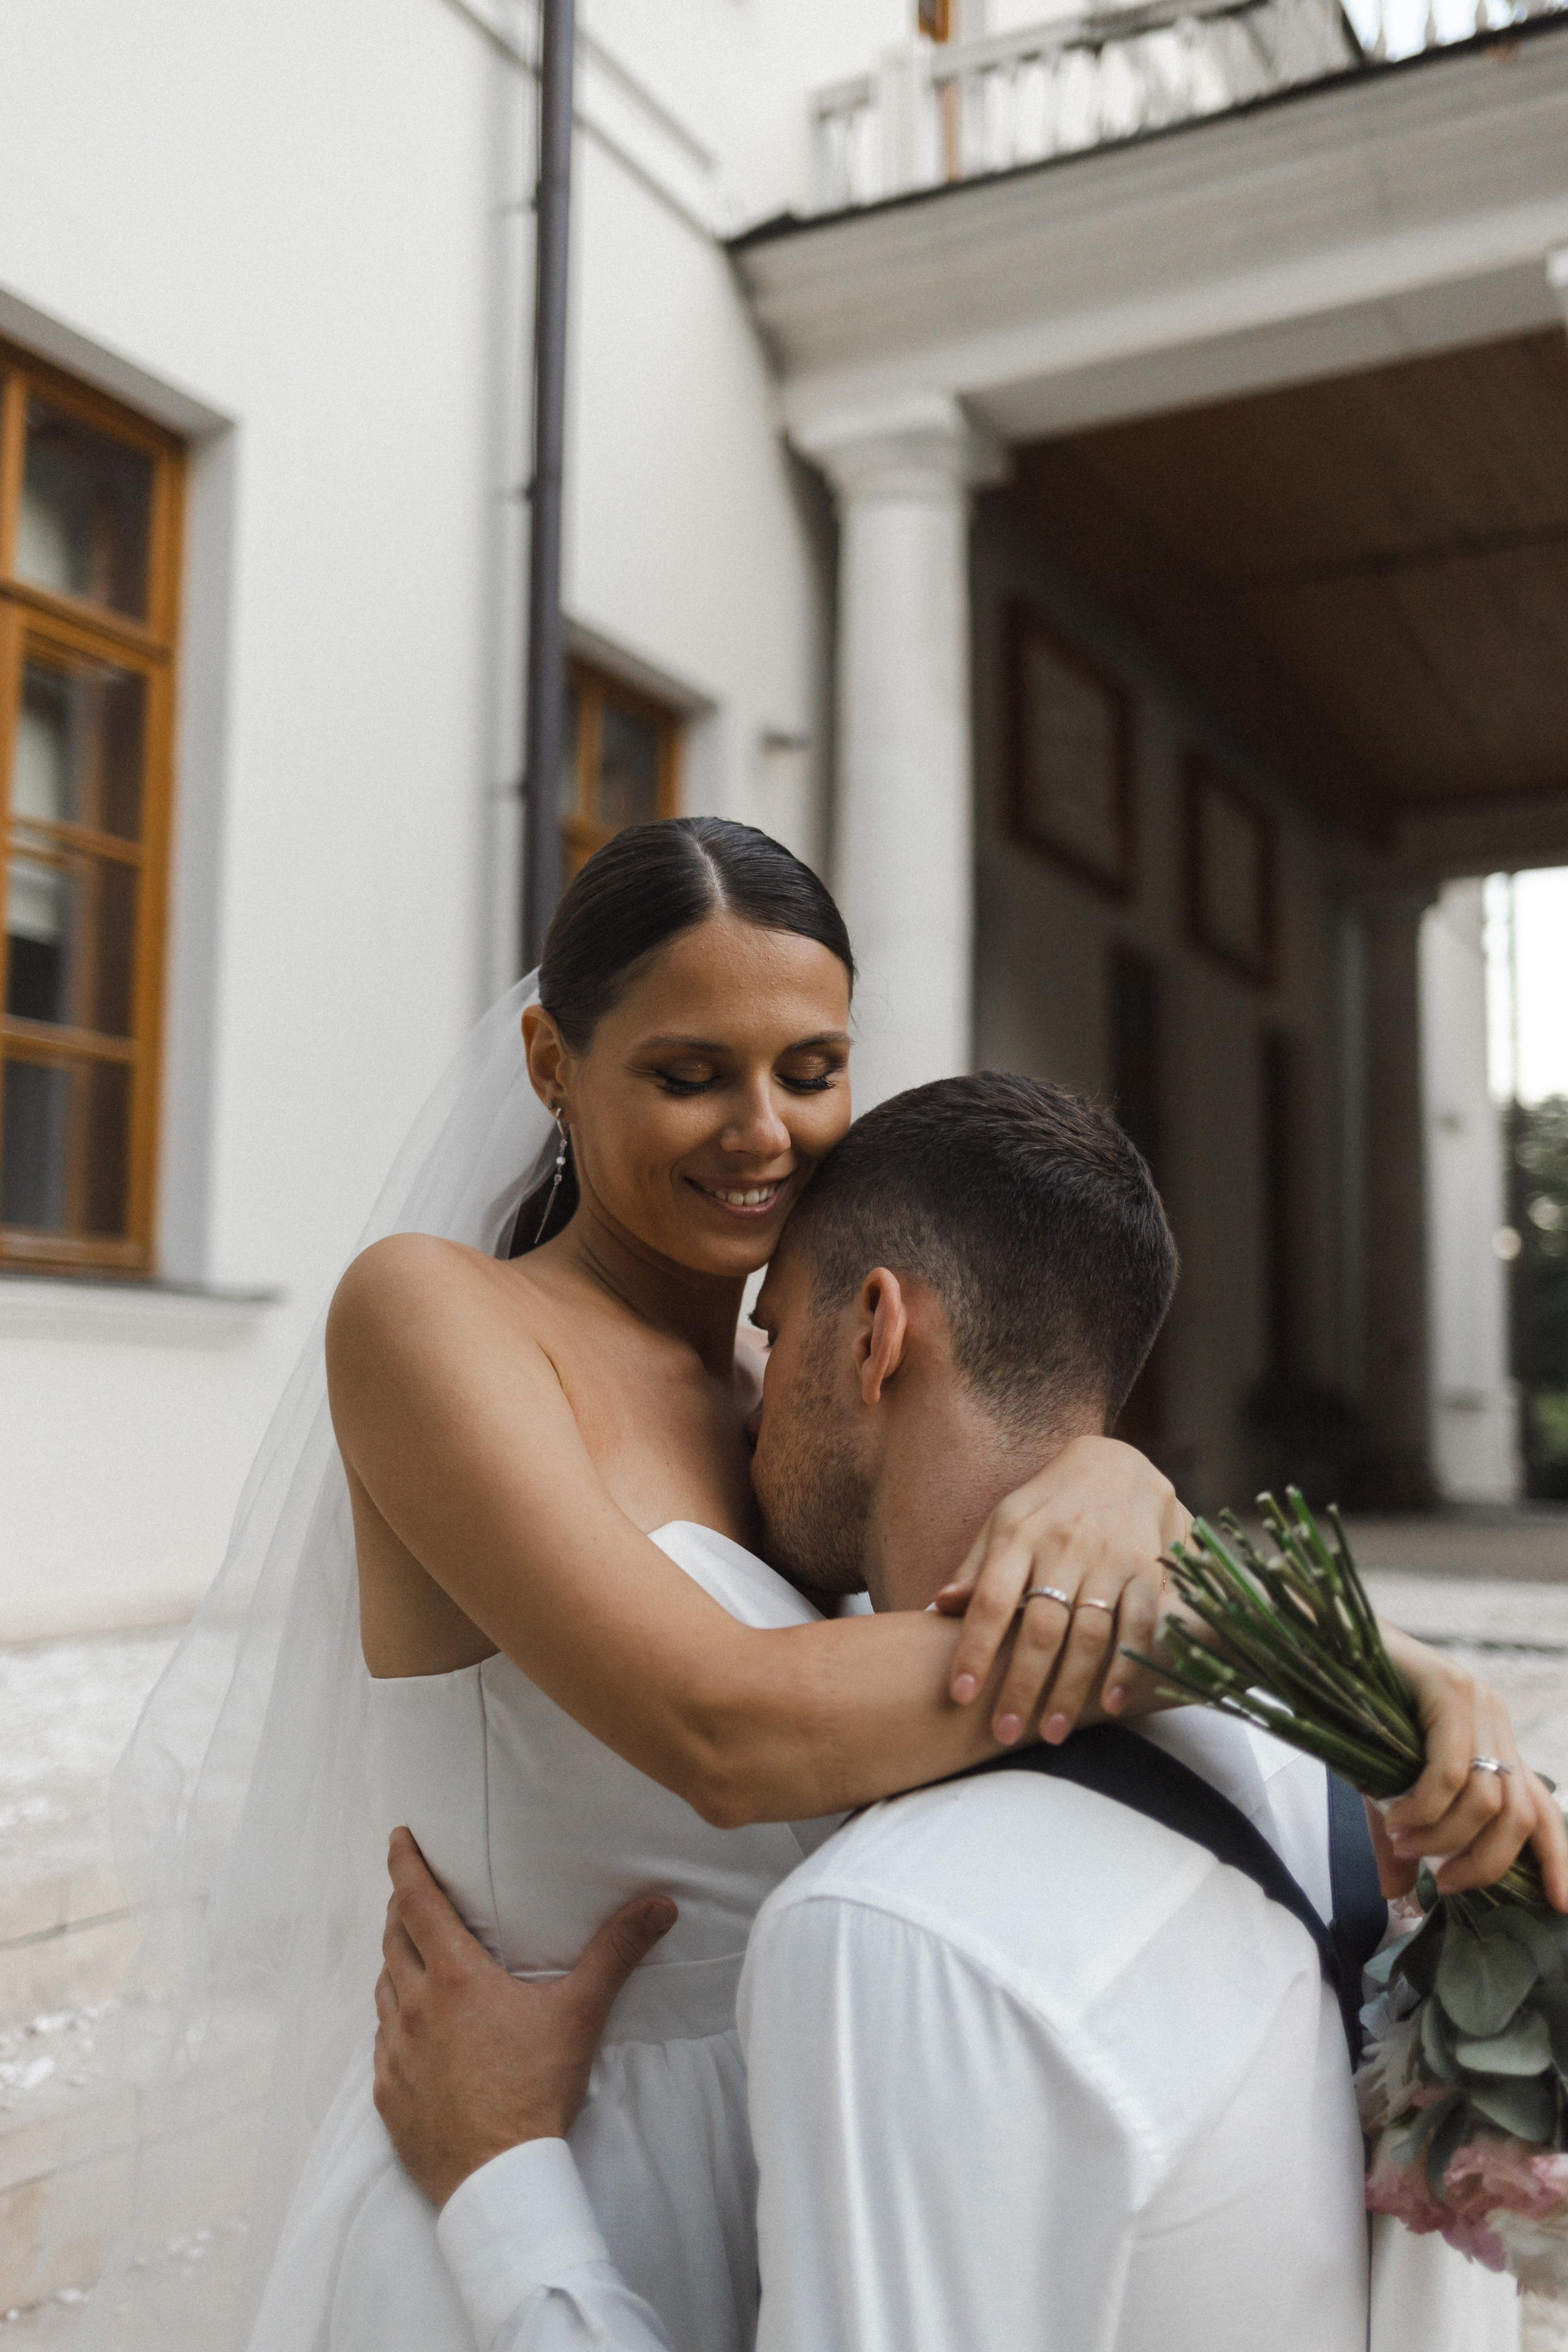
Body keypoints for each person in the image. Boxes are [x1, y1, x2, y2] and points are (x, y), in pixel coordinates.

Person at [370, 1074, 1555, 2352]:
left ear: (873, 1332)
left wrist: (499, 2178)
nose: (743, 1405)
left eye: (772, 1337)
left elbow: (727, 1734)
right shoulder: (1344, 1786)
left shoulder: (892, 1928)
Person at [236, 818, 1200, 2352]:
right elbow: (722, 1728)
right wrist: (1197, 1633)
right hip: (541, 2139)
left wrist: (1116, 1482)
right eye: (690, 1075)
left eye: (809, 1071)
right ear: (553, 1063)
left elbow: (963, 1567)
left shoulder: (793, 1386)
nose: (764, 1132)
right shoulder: (436, 1320)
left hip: (813, 2122)